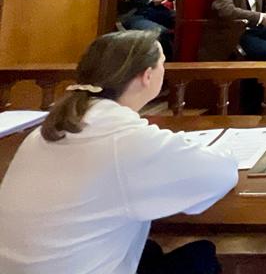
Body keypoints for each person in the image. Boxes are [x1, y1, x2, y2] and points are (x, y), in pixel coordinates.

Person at [0, 30, 237, 274]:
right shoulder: (125, 139)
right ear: (147, 75)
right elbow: (220, 173)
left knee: (149, 249)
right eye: (163, 64)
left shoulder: (45, 130)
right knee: (201, 257)